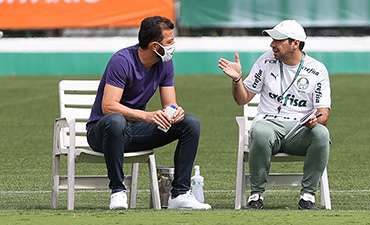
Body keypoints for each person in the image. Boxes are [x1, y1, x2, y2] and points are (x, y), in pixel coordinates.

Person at [86, 16, 211, 210]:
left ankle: (179, 194)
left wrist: (175, 112)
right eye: (169, 42)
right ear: (155, 46)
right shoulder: (121, 61)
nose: (173, 46)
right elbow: (109, 106)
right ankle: (118, 191)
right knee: (116, 121)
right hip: (102, 133)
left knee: (190, 123)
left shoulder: (165, 63)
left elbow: (170, 104)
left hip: (134, 131)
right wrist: (147, 116)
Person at [218, 20, 331, 210]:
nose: (272, 44)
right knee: (260, 131)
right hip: (270, 125)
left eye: (278, 40)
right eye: (272, 40)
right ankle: (256, 194)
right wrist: (237, 79)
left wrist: (315, 120)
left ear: (295, 43)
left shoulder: (316, 70)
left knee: (322, 134)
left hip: (300, 130)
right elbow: (242, 99)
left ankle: (308, 194)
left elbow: (323, 112)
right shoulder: (265, 61)